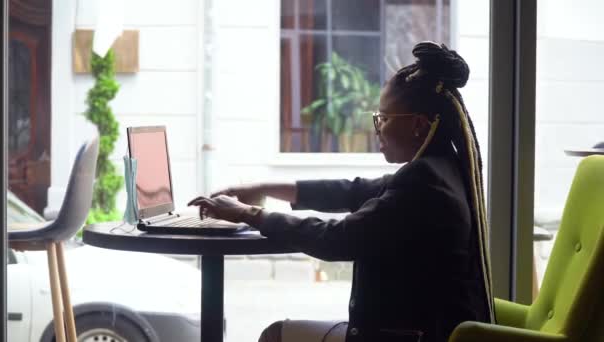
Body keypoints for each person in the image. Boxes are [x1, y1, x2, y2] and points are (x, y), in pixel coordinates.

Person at [188, 41, 494, 342]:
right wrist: (262, 188)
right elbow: (353, 191)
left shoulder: (424, 182)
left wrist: (247, 214)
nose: (378, 128)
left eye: (384, 118)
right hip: (414, 331)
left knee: (276, 336)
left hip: (400, 337)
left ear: (418, 125)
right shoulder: (442, 168)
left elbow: (337, 239)